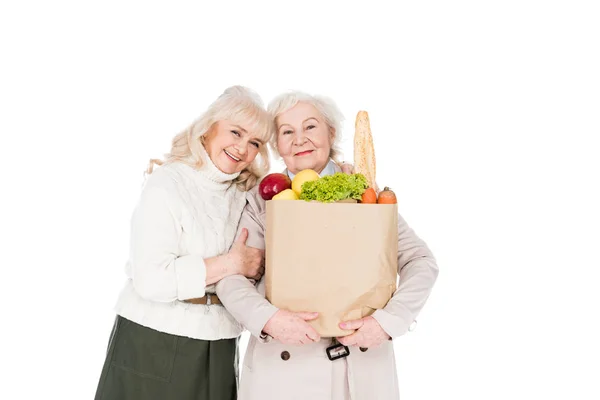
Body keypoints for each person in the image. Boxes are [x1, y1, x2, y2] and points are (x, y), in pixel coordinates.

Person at [216, 91, 439, 400]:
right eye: (287, 132)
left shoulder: (366, 193)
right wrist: (268, 320)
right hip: (284, 367)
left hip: (360, 366)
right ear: (277, 144)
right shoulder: (260, 200)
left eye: (310, 127)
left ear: (330, 133)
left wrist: (387, 323)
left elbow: (421, 261)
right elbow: (231, 278)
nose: (299, 139)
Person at [94, 86, 274, 400]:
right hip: (153, 342)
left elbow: (295, 196)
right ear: (209, 127)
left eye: (254, 142)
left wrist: (338, 172)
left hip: (220, 347)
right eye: (236, 132)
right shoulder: (168, 183)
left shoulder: (246, 192)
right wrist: (230, 265)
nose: (242, 148)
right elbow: (151, 280)